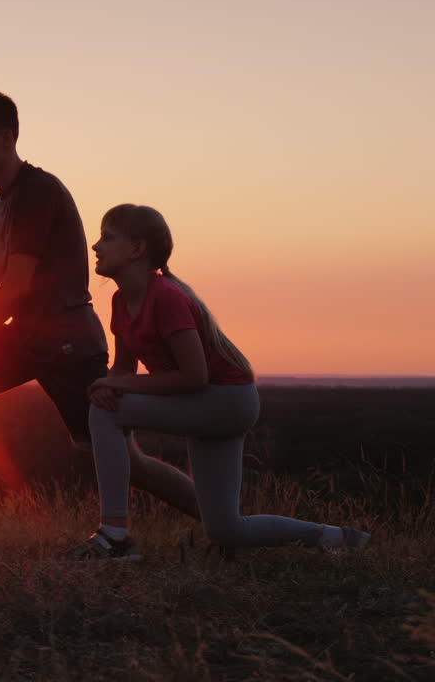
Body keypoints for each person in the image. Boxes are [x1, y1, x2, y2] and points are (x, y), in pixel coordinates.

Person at [0, 90, 201, 549]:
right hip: (21, 337)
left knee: (124, 459)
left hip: (68, 342)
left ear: (7, 138)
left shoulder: (38, 192)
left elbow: (16, 286)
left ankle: (223, 523)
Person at [65, 204, 368, 560]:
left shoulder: (165, 297)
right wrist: (104, 385)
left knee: (105, 415)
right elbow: (125, 371)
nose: (96, 246)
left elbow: (195, 376)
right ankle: (337, 539)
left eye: (107, 237)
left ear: (137, 249)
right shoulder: (120, 301)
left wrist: (119, 389)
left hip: (225, 400)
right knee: (226, 528)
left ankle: (114, 537)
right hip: (213, 403)